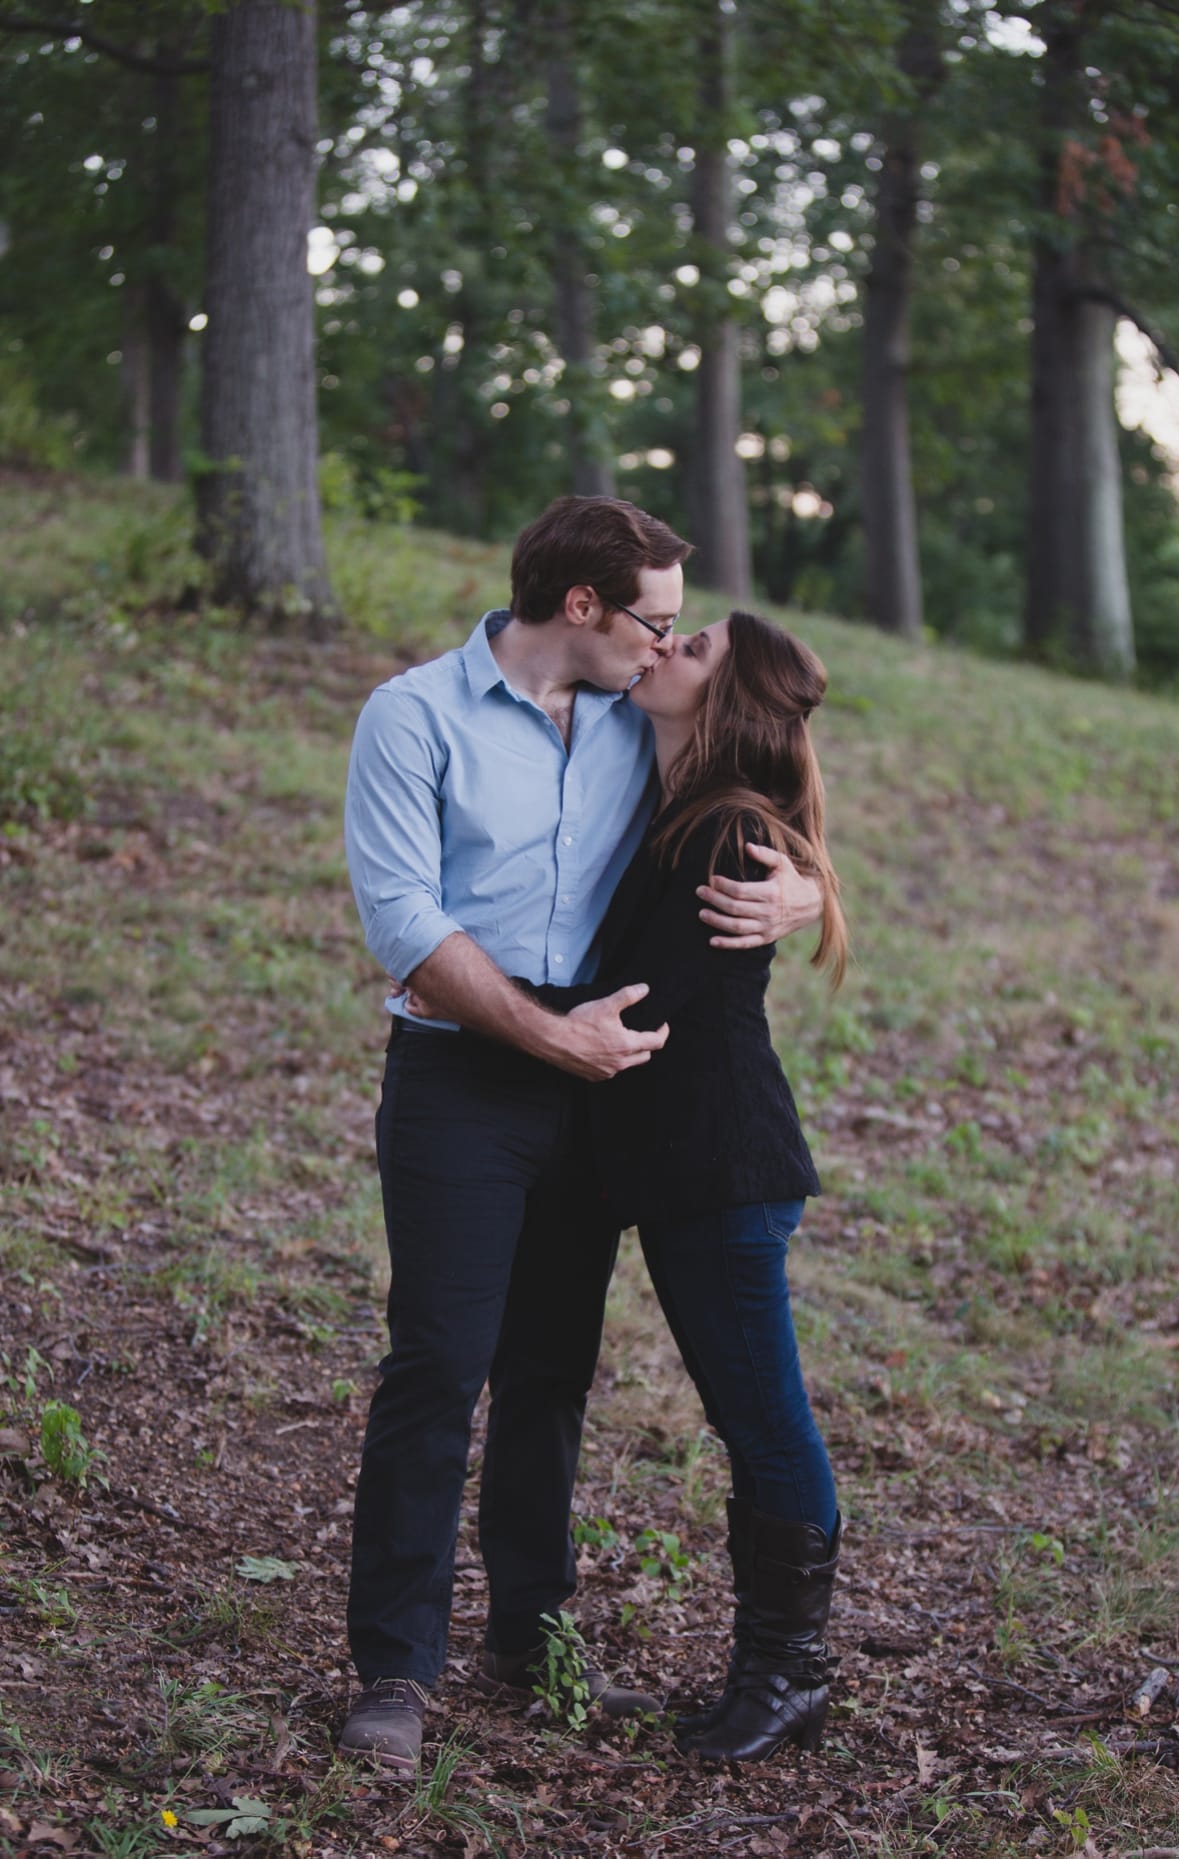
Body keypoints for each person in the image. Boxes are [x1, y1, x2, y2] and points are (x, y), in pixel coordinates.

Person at [339, 497, 825, 1770]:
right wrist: (542, 1037)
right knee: (437, 1363)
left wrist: (811, 887)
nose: (666, 647)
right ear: (582, 608)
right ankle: (394, 1664)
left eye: (678, 633)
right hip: (466, 1070)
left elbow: (765, 771)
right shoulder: (414, 716)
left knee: (549, 1373)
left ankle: (527, 1634)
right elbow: (400, 915)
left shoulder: (634, 714)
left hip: (598, 1088)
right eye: (655, 621)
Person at [529, 609, 847, 1761]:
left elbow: (640, 1007)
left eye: (695, 647)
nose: (665, 648)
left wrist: (475, 1000)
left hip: (719, 1173)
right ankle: (769, 1670)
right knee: (747, 1421)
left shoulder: (725, 833)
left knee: (765, 1426)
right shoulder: (674, 794)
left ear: (725, 705)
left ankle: (788, 1674)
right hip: (682, 1173)